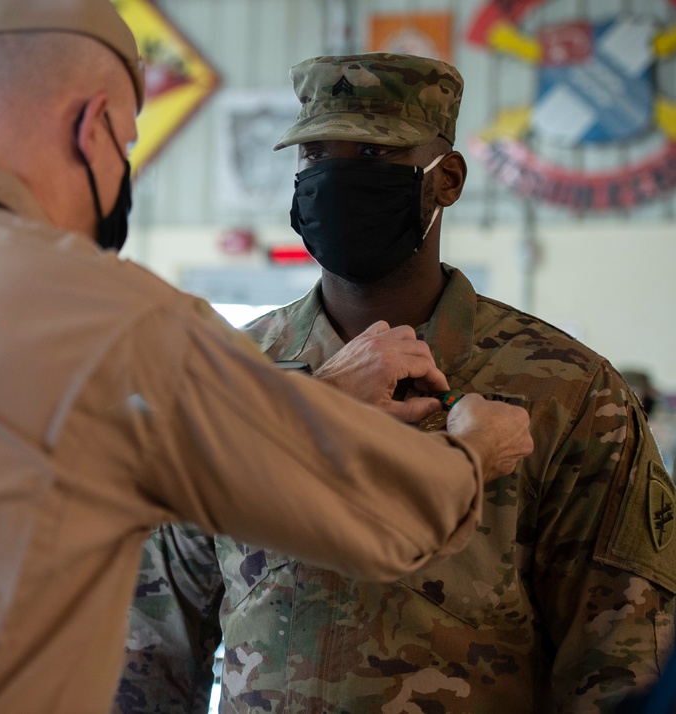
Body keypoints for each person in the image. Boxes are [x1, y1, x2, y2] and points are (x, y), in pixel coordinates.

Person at [0, 10, 534, 714]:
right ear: (94, 127)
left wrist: (306, 394)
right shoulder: (112, 321)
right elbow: (382, 511)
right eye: (125, 143)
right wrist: (471, 448)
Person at [116, 53, 676, 714]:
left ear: (448, 180)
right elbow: (149, 651)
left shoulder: (568, 395)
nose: (336, 180)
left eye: (375, 158)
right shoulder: (227, 377)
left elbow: (617, 661)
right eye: (316, 156)